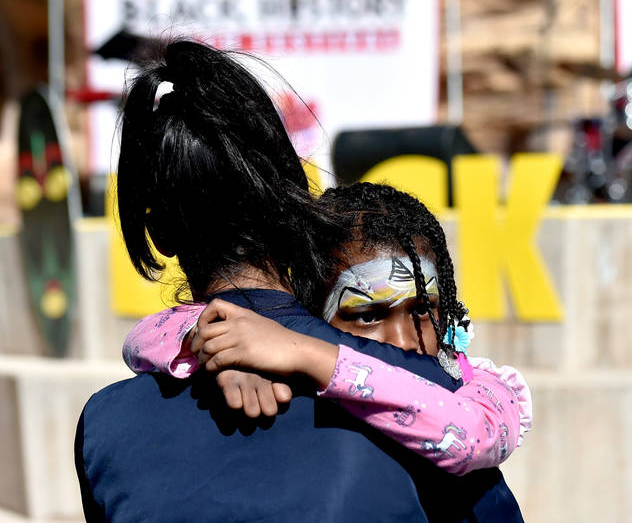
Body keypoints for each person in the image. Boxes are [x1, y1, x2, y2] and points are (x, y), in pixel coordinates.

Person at [74, 41, 523, 522]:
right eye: (371, 312)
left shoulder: (105, 426)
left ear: (157, 232)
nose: (402, 335)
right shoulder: (430, 398)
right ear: (297, 198)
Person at [121, 182, 532, 476]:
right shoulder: (286, 375)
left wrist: (305, 353)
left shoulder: (483, 385)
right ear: (310, 310)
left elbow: (474, 436)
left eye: (424, 310)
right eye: (368, 315)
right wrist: (222, 346)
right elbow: (142, 337)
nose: (405, 341)